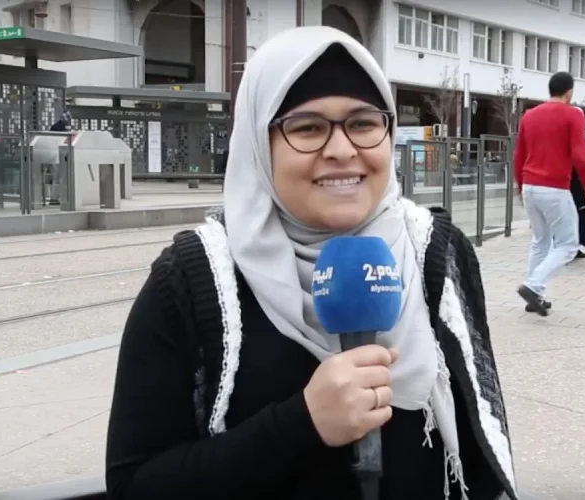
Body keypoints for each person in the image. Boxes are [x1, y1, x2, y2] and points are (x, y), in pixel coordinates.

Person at [105, 26, 515, 500]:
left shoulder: (438, 251)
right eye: (307, 127)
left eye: (363, 123)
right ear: (261, 144)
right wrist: (302, 424)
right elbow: (134, 484)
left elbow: (484, 434)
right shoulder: (192, 280)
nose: (342, 150)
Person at [513, 72, 585, 316]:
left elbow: (519, 155)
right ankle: (533, 286)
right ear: (569, 92)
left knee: (540, 241)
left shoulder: (529, 115)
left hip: (530, 185)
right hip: (555, 187)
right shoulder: (573, 114)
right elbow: (580, 156)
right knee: (568, 245)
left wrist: (520, 185)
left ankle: (534, 297)